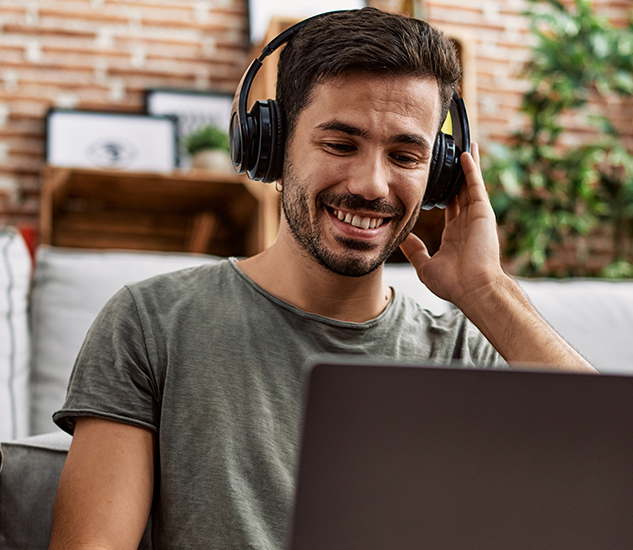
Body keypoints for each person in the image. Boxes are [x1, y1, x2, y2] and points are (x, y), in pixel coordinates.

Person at [49, 8, 597, 550]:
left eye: (405, 155)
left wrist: (487, 289)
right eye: (340, 144)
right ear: (272, 145)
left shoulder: (462, 352)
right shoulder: (151, 324)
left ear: (442, 173)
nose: (371, 184)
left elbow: (610, 467)